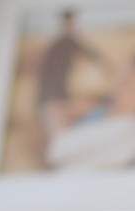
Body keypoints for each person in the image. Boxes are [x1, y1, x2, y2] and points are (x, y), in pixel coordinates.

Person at [44, 54, 135, 171]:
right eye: (119, 76)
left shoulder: (128, 133)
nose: (116, 86)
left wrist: (58, 115)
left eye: (126, 82)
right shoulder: (104, 116)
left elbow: (57, 151)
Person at [35, 9, 106, 144]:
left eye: (74, 23)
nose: (74, 27)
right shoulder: (62, 43)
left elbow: (92, 54)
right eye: (72, 23)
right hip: (52, 98)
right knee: (60, 138)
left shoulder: (64, 43)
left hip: (58, 96)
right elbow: (92, 53)